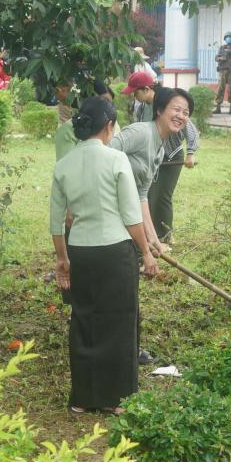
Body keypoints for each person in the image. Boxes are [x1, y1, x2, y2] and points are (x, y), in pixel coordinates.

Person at [51, 97, 159, 414]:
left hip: (80, 251)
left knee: (84, 319)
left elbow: (56, 222)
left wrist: (62, 259)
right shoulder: (116, 159)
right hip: (115, 252)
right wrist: (146, 253)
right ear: (109, 126)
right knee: (120, 322)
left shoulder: (64, 164)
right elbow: (131, 216)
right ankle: (117, 399)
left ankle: (82, 399)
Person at [113, 86, 192, 255]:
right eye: (176, 109)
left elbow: (141, 196)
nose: (181, 116)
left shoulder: (160, 150)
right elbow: (101, 153)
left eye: (185, 113)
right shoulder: (140, 132)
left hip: (123, 215)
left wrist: (154, 241)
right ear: (159, 110)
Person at [148, 89, 199, 242]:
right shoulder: (141, 107)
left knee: (164, 195)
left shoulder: (173, 107)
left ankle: (166, 234)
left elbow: (192, 132)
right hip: (154, 154)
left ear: (145, 89)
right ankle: (152, 233)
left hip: (172, 155)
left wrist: (190, 153)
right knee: (150, 194)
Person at [213, 34, 231, 114]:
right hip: (222, 71)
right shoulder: (222, 48)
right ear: (225, 39)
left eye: (230, 37)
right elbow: (216, 58)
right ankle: (218, 108)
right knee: (220, 88)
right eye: (227, 37)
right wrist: (222, 58)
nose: (228, 39)